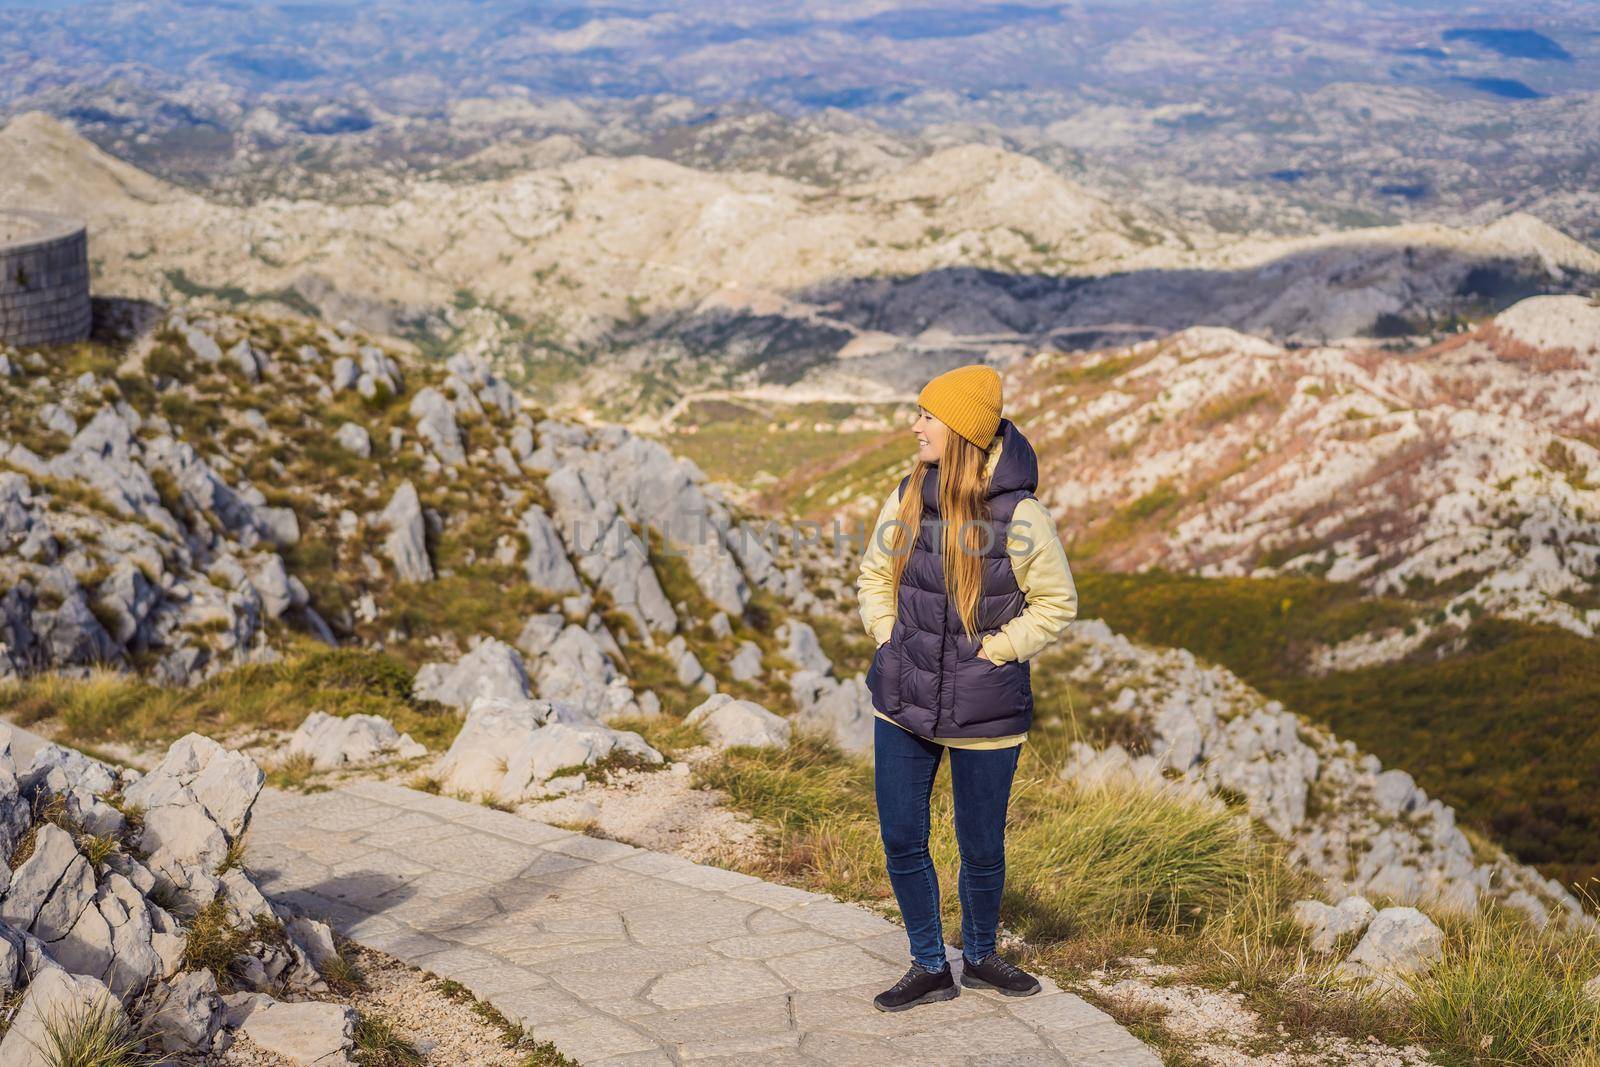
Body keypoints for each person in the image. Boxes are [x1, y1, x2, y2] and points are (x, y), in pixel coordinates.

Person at [855, 363, 1079, 1012]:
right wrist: (888, 635)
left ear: (960, 430)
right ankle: (930, 963)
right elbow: (875, 573)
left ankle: (979, 953)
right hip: (903, 699)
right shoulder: (905, 493)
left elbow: (1056, 602)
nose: (914, 424)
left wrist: (998, 650)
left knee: (981, 848)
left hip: (987, 710)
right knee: (902, 835)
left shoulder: (1021, 516)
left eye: (927, 415)